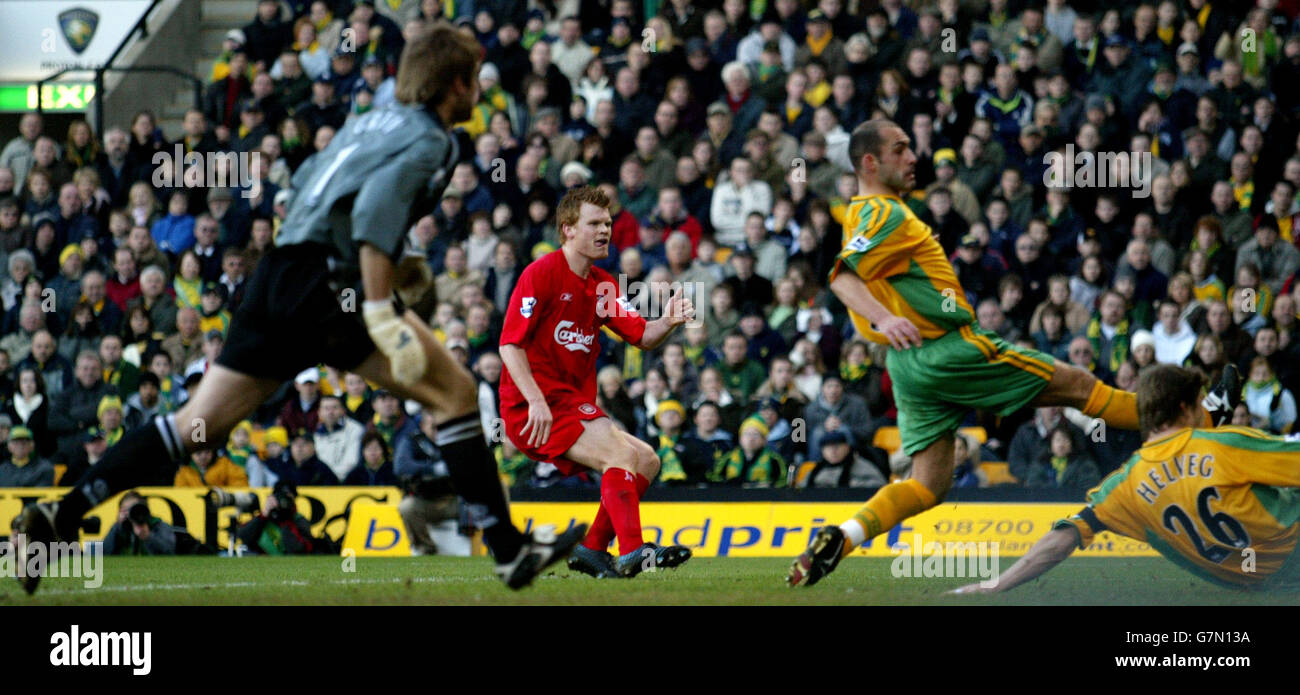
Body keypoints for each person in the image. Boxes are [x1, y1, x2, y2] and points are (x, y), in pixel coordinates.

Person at [10, 25, 584, 595]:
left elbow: (310, 183)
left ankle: (60, 519)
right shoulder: (435, 139)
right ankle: (508, 552)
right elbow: (374, 216)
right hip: (332, 286)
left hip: (278, 274)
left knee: (192, 426)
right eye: (474, 79)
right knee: (457, 396)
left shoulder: (366, 123)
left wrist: (386, 262)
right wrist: (382, 309)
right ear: (455, 84)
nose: (480, 91)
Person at [787, 118, 1238, 588]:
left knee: (927, 483)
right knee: (1079, 386)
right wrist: (885, 318)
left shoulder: (862, 212)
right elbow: (841, 277)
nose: (912, 155)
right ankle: (1207, 419)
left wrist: (898, 303)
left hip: (909, 364)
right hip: (950, 349)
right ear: (869, 162)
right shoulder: (886, 213)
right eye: (899, 149)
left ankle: (844, 534)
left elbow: (862, 273)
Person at [954, 364, 1300, 593]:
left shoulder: (1123, 485)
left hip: (1250, 581)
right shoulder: (1226, 446)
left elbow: (1062, 539)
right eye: (1197, 403)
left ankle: (1215, 410)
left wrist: (998, 583)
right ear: (1184, 408)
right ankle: (1216, 412)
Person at [498, 185, 696, 579]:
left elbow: (642, 335)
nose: (605, 231)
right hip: (533, 405)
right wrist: (535, 400)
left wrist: (670, 321)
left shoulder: (602, 283)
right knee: (620, 456)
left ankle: (591, 550)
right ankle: (633, 551)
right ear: (568, 229)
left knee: (647, 460)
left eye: (607, 223)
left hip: (567, 401)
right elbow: (509, 345)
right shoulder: (541, 273)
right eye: (594, 224)